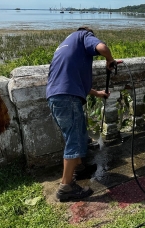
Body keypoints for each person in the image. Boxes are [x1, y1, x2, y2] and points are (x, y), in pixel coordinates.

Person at [46, 26, 122, 201]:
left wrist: (98, 93)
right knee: (74, 139)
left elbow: (73, 80)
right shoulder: (84, 36)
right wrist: (109, 59)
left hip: (56, 96)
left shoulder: (65, 44)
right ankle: (65, 187)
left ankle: (78, 168)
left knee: (76, 135)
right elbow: (102, 48)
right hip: (67, 98)